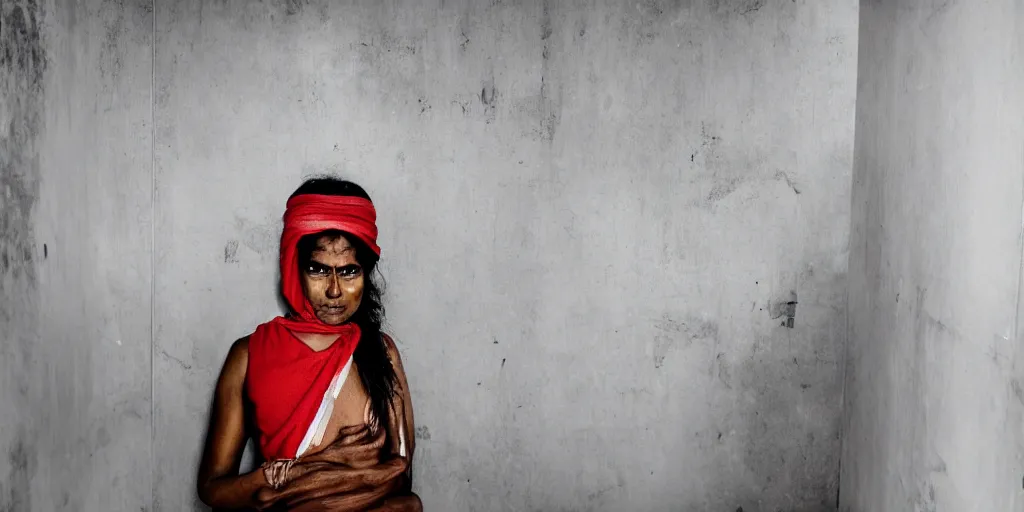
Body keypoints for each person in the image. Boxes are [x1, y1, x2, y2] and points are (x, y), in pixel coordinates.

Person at [197, 177, 422, 511]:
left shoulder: (380, 352)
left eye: (349, 272)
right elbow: (214, 490)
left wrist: (293, 485)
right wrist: (306, 471)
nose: (334, 291)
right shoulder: (248, 355)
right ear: (293, 266)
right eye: (318, 270)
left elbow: (400, 474)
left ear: (365, 273)